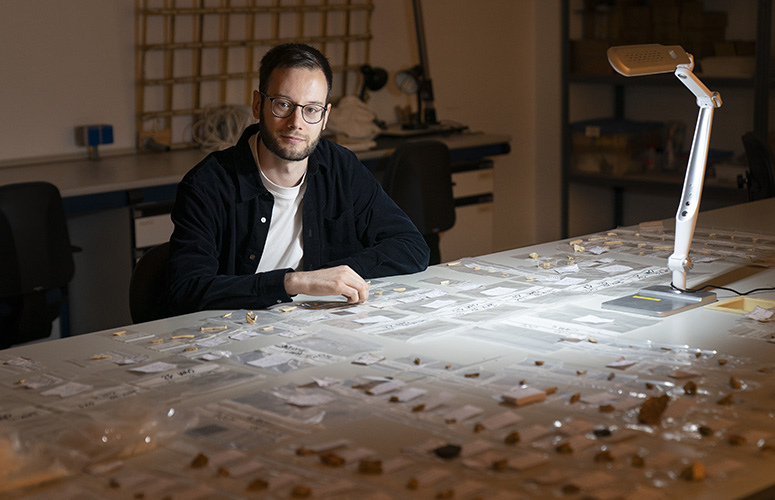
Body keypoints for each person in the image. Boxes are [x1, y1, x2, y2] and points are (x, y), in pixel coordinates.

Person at [166, 43, 430, 314]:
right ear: (258, 105)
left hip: (319, 326)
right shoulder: (207, 185)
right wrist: (294, 282)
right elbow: (186, 290)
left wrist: (338, 276)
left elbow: (411, 247)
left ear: (325, 117)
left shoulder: (340, 167)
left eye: (312, 109)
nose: (296, 122)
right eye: (283, 104)